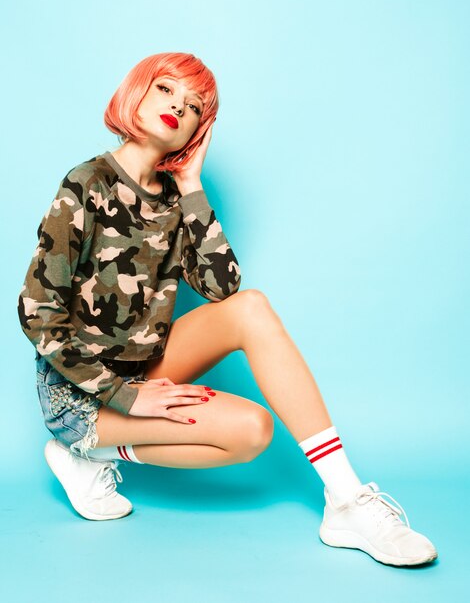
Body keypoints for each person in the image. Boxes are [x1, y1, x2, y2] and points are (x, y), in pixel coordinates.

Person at [17, 51, 437, 567]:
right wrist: (120, 396)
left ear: (199, 130)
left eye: (193, 107)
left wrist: (192, 186)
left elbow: (222, 288)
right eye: (166, 89)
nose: (177, 107)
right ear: (137, 91)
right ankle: (83, 446)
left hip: (142, 369)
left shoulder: (177, 197)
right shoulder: (86, 183)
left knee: (251, 313)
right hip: (79, 396)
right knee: (248, 430)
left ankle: (346, 499)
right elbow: (37, 311)